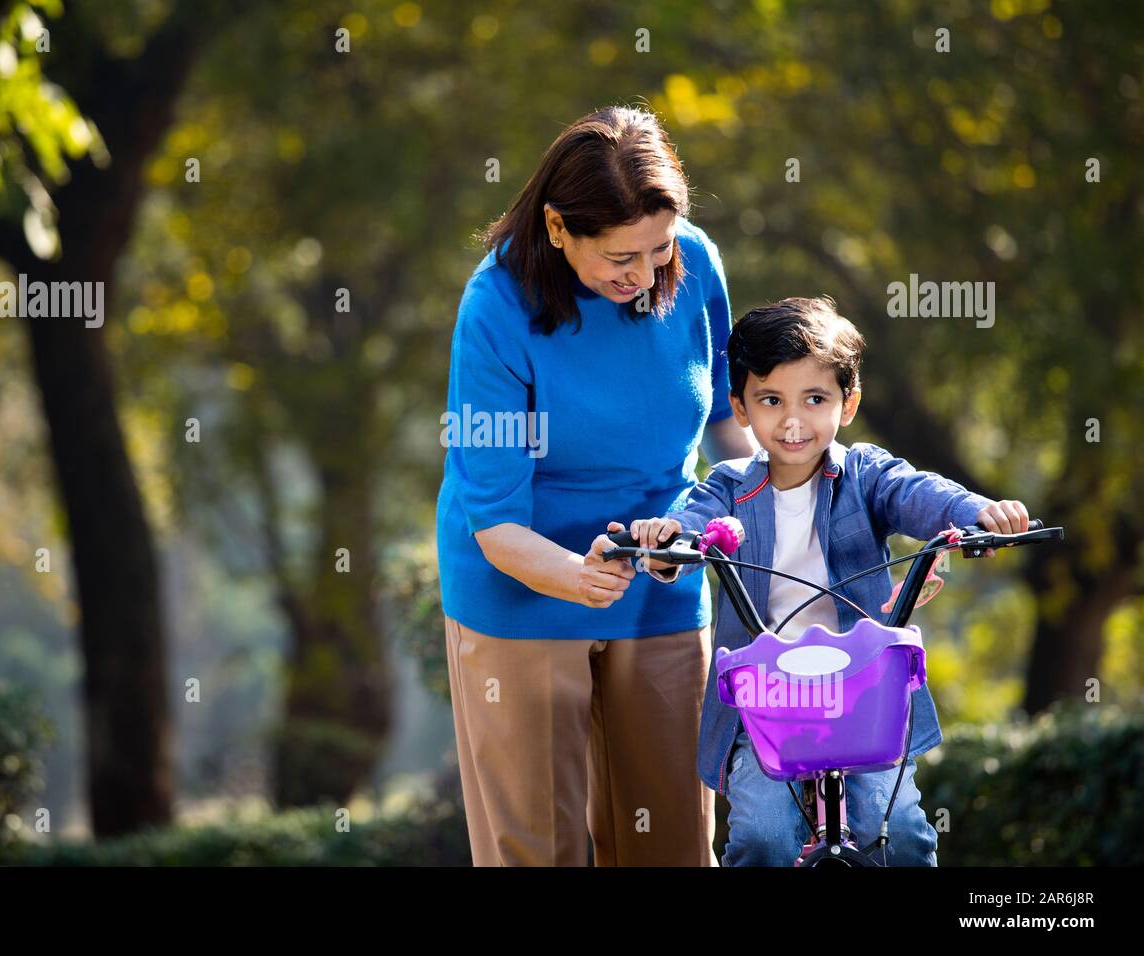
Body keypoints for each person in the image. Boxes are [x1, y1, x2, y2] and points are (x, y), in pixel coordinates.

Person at [436, 105, 755, 866]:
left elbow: (727, 421)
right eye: (620, 257)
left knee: (673, 843)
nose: (644, 275)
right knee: (538, 850)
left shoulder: (697, 263)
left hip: (664, 568)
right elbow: (495, 518)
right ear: (556, 228)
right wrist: (576, 577)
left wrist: (796, 493)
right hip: (521, 582)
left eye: (659, 247)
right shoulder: (494, 309)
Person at [620, 295, 1030, 865]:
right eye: (771, 400)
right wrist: (666, 545)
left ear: (847, 402)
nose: (793, 420)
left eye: (815, 399)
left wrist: (976, 513)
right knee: (763, 834)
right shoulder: (727, 486)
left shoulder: (866, 474)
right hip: (767, 698)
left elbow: (920, 494)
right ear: (739, 407)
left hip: (862, 691)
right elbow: (688, 530)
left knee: (900, 832)